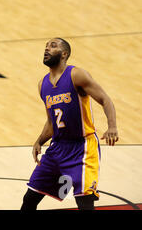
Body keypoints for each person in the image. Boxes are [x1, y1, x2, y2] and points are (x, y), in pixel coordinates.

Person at [21, 38, 119, 210]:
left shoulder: (76, 75)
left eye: (53, 46)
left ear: (64, 54)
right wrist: (39, 141)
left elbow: (105, 99)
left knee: (84, 203)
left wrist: (112, 127)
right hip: (57, 148)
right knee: (29, 199)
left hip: (82, 148)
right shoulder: (42, 85)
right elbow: (52, 123)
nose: (47, 49)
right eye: (46, 46)